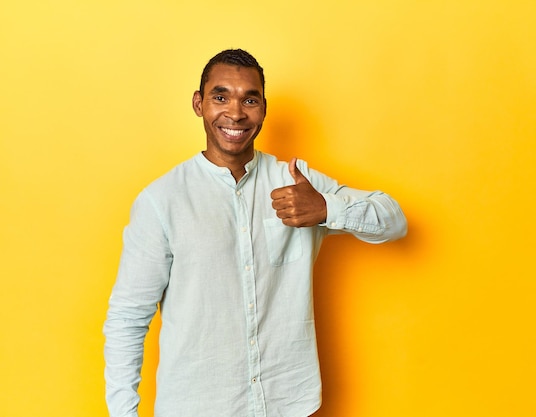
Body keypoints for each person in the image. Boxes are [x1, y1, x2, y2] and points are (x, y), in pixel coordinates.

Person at [103, 48, 407, 417]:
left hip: (289, 403)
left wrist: (327, 208)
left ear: (264, 108)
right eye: (220, 96)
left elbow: (394, 220)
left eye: (250, 99)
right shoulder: (161, 200)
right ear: (199, 104)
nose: (235, 112)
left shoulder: (297, 182)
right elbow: (127, 318)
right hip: (197, 407)